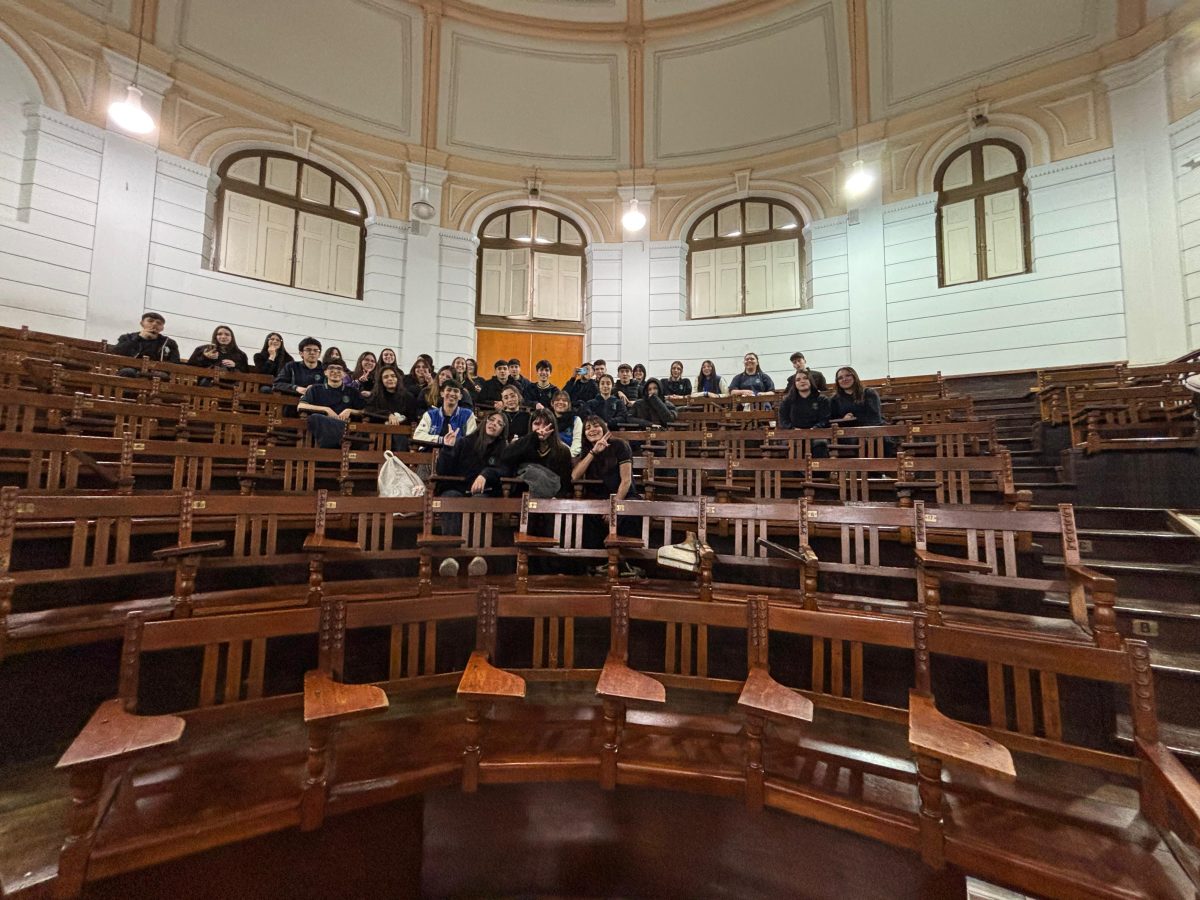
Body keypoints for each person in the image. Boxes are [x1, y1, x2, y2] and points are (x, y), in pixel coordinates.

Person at [433, 411, 510, 578]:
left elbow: (506, 470)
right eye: (491, 419)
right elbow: (443, 471)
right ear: (484, 422)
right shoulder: (465, 442)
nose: (494, 424)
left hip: (485, 492)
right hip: (459, 489)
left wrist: (486, 474)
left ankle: (478, 555)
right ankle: (450, 557)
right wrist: (447, 448)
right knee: (450, 498)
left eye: (499, 423)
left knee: (479, 501)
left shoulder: (503, 448)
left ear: (503, 430)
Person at [572, 416, 640, 576]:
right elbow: (575, 476)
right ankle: (598, 563)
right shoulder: (588, 450)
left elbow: (626, 480)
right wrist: (593, 452)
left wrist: (613, 507)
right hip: (599, 498)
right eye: (587, 428)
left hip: (623, 496)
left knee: (628, 514)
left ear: (604, 428)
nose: (592, 429)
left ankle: (625, 563)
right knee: (587, 516)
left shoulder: (620, 445)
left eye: (596, 426)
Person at [500, 409, 574, 497]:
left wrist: (556, 499)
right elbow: (505, 457)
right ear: (530, 425)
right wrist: (533, 437)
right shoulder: (523, 445)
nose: (541, 428)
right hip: (521, 497)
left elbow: (565, 483)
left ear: (553, 427)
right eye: (537, 424)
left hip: (551, 500)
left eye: (546, 424)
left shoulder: (562, 451)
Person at [297, 360, 365, 448]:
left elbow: (364, 411)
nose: (335, 372)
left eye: (339, 369)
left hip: (344, 425)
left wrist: (350, 410)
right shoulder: (315, 389)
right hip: (325, 427)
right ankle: (339, 444)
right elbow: (301, 406)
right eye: (331, 369)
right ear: (325, 372)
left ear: (344, 374)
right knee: (315, 418)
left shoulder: (353, 392)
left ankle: (332, 448)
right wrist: (326, 410)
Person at [362, 363, 417, 450]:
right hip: (379, 433)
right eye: (386, 377)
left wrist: (399, 420)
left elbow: (412, 419)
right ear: (381, 381)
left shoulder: (408, 397)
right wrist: (388, 415)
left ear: (397, 379)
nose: (390, 379)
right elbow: (368, 410)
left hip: (401, 434)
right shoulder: (376, 395)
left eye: (393, 376)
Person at [779, 371, 830, 458]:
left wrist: (815, 428)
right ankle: (796, 471)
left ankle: (819, 471)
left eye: (805, 378)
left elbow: (824, 419)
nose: (802, 381)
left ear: (811, 381)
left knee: (820, 444)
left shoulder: (822, 399)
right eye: (798, 380)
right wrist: (793, 429)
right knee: (793, 444)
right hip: (794, 433)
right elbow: (783, 420)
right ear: (794, 384)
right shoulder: (787, 401)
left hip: (816, 433)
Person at [413, 380, 477, 447]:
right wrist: (442, 440)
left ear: (460, 396)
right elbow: (418, 435)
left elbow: (472, 440)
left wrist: (456, 441)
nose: (452, 394)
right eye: (449, 390)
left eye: (456, 391)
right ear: (442, 394)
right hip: (430, 451)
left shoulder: (468, 415)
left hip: (457, 453)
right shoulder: (430, 414)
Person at [114, 312, 180, 370]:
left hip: (157, 371)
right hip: (130, 368)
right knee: (128, 371)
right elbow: (116, 353)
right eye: (150, 321)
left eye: (159, 323)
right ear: (142, 323)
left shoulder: (169, 342)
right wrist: (139, 337)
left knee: (161, 375)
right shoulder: (127, 337)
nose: (154, 324)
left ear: (162, 328)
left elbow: (175, 362)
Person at [551, 390, 583, 456]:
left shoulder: (576, 420)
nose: (560, 402)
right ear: (552, 403)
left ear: (568, 404)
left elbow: (577, 444)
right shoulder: (547, 420)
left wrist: (568, 457)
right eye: (557, 400)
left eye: (564, 400)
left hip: (569, 457)